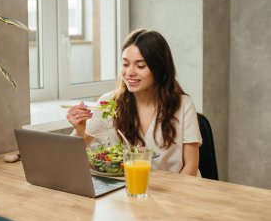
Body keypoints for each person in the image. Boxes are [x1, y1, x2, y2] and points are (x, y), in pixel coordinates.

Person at [66, 29, 202, 176]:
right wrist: (79, 130)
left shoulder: (183, 105)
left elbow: (191, 166)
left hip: (175, 190)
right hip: (130, 190)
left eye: (140, 66)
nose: (130, 72)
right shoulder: (109, 103)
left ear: (159, 68)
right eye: (125, 64)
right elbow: (70, 155)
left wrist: (171, 198)